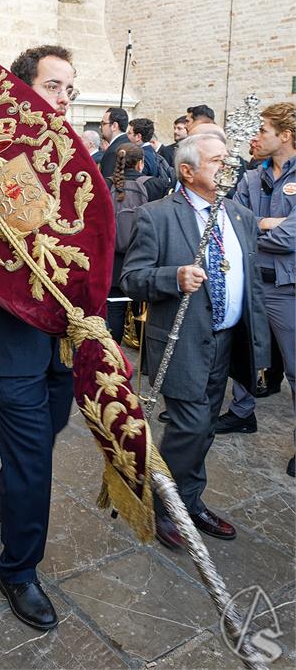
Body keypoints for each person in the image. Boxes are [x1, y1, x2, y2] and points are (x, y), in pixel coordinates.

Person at [0, 45, 78, 630]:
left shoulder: (67, 158)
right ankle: (20, 571)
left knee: (47, 433)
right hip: (9, 342)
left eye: (69, 91)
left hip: (62, 338)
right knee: (34, 457)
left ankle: (10, 501)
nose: (62, 100)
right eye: (53, 87)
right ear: (23, 89)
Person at [120, 134, 269, 550]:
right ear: (187, 171)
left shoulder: (238, 215)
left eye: (229, 161)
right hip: (181, 343)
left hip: (226, 340)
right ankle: (167, 507)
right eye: (218, 162)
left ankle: (190, 499)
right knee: (190, 425)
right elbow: (132, 279)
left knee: (204, 429)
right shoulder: (157, 216)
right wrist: (174, 278)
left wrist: (258, 347)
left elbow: (251, 283)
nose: (229, 169)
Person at [215, 103, 295, 477]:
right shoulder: (250, 178)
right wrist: (266, 224)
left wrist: (257, 226)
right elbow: (235, 225)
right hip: (249, 279)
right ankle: (243, 413)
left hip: (285, 286)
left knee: (294, 367)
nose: (256, 136)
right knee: (245, 350)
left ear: (286, 135)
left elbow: (290, 237)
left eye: (264, 129)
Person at [106, 143, 151, 344]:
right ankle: (145, 366)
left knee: (114, 310)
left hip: (113, 261)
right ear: (141, 163)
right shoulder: (154, 185)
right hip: (143, 258)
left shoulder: (106, 184)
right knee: (143, 310)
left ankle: (112, 360)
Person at [99, 106, 129, 178]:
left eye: (103, 123)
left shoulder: (113, 151)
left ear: (114, 126)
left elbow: (108, 183)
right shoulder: (129, 144)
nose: (100, 127)